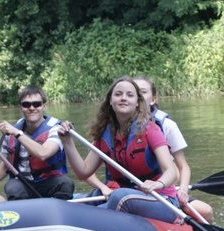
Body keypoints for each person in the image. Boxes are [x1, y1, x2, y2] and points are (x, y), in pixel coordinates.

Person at [85, 76, 215, 223]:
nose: (126, 98)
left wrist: (183, 190)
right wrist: (103, 187)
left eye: (142, 92)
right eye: (133, 92)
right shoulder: (114, 129)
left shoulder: (164, 126)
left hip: (159, 189)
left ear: (151, 99)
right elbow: (85, 170)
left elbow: (179, 168)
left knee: (205, 211)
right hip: (125, 189)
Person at [57, 76, 180, 222]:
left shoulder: (150, 129)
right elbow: (83, 172)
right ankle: (73, 217)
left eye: (129, 95)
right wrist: (67, 141)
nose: (123, 98)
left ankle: (82, 219)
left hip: (162, 200)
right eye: (118, 94)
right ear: (110, 101)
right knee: (107, 195)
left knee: (120, 196)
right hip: (126, 195)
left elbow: (171, 171)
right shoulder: (105, 134)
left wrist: (157, 184)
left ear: (137, 103)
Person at [0, 86, 75, 200]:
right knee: (12, 187)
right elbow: (7, 164)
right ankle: (23, 215)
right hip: (22, 183)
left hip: (49, 182)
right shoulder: (12, 130)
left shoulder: (56, 129)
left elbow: (43, 153)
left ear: (44, 106)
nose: (31, 108)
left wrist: (18, 134)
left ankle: (57, 212)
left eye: (37, 104)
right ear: (21, 107)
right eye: (26, 104)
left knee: (66, 183)